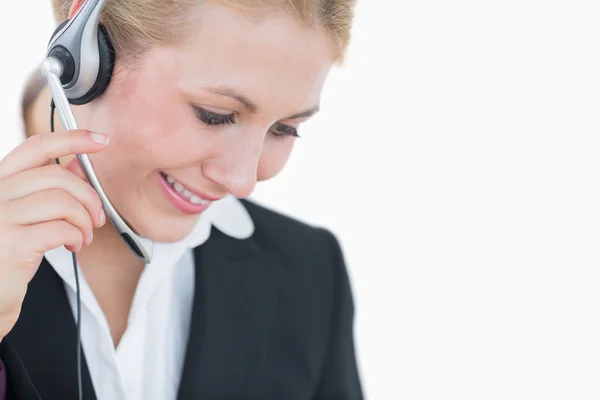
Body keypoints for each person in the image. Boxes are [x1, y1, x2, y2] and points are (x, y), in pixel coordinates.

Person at [0, 0, 362, 399]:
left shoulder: (310, 272)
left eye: (285, 129)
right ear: (87, 52)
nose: (241, 181)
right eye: (215, 115)